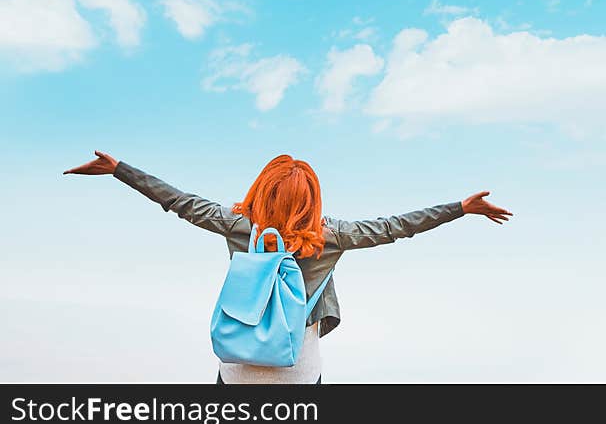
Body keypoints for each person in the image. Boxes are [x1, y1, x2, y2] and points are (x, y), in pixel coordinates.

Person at [64, 150, 513, 384]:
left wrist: (120, 169)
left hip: (236, 362)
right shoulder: (331, 235)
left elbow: (178, 201)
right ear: (312, 197)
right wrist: (459, 208)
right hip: (297, 367)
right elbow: (396, 227)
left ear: (262, 189)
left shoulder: (240, 226)